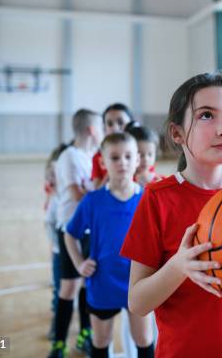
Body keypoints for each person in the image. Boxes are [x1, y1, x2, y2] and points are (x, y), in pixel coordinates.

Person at [120, 72, 222, 357]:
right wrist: (178, 267)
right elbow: (137, 302)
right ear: (176, 133)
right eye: (207, 116)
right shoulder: (158, 198)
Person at [65, 132, 154, 358]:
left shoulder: (147, 200)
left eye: (128, 156)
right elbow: (70, 234)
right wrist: (79, 263)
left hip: (137, 283)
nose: (122, 162)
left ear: (137, 160)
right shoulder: (93, 201)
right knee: (101, 340)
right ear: (103, 162)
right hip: (102, 282)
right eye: (114, 158)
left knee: (143, 339)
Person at [49, 109, 104, 358]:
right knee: (68, 287)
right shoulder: (70, 156)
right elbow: (77, 197)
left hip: (90, 229)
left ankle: (84, 334)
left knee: (87, 282)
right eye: (101, 126)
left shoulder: (91, 155)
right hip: (71, 229)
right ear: (92, 130)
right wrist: (104, 191)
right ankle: (59, 344)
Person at [44, 142, 70, 340]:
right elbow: (49, 224)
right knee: (58, 290)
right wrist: (57, 244)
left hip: (77, 250)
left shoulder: (71, 195)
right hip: (59, 252)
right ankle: (57, 321)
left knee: (79, 291)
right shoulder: (54, 199)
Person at [92, 103, 135, 189]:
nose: (115, 127)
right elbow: (97, 190)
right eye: (110, 124)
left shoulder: (141, 154)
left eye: (120, 122)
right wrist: (113, 169)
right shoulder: (98, 157)